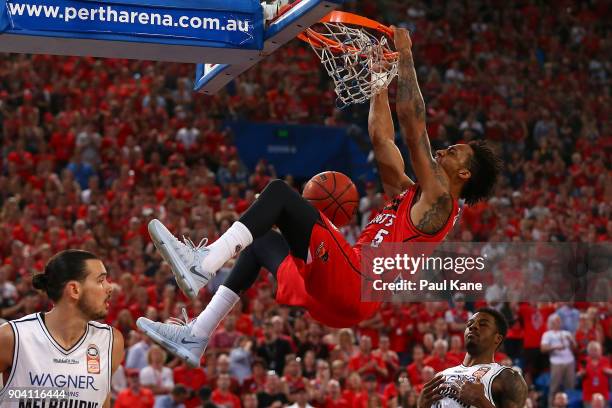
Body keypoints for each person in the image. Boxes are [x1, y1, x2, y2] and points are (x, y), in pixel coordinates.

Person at [136, 27, 502, 367]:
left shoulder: (441, 198)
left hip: (355, 282)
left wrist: (405, 55)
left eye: (454, 151)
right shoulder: (415, 198)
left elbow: (412, 120)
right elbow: (382, 139)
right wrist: (378, 79)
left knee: (280, 193)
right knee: (260, 241)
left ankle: (201, 263)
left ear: (464, 174)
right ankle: (196, 336)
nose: (443, 151)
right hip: (338, 300)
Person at [0, 249, 125, 407]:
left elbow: (101, 401)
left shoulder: (111, 342)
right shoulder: (12, 337)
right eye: (100, 280)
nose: (110, 287)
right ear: (74, 290)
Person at [417, 308, 528, 408]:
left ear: (497, 338)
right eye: (469, 324)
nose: (473, 326)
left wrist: (481, 401)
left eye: (483, 324)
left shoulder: (507, 377)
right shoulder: (441, 375)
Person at [540, 314, 576, 406]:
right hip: (556, 362)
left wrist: (572, 341)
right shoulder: (548, 334)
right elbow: (543, 348)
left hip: (570, 361)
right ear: (551, 322)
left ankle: (569, 405)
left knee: (570, 387)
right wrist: (555, 347)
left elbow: (575, 347)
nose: (558, 322)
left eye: (559, 321)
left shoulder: (566, 333)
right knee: (554, 388)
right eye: (556, 321)